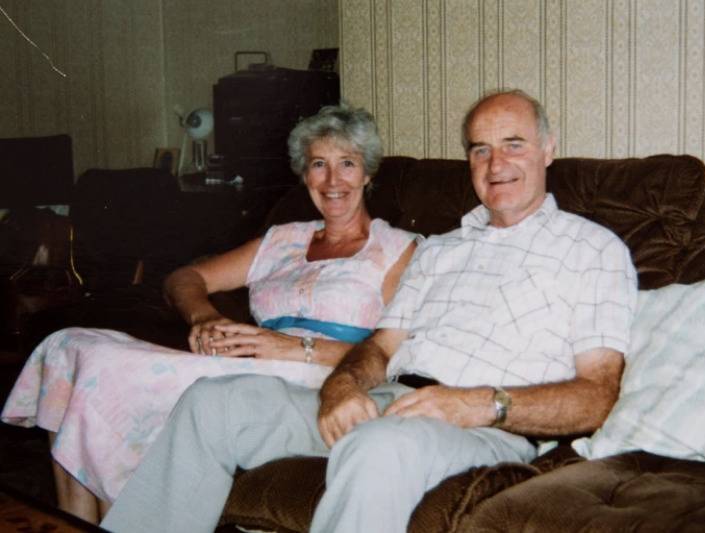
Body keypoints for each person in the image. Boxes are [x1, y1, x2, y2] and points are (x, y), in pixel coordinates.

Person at [100, 89, 638, 533]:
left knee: (379, 446)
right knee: (213, 402)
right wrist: (341, 387)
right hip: (390, 400)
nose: (495, 164)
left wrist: (478, 404)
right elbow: (380, 346)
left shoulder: (592, 250)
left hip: (486, 429)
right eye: (479, 149)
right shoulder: (441, 249)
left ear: (548, 148)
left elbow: (596, 395)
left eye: (513, 144)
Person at [1, 103, 418, 525]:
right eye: (318, 164)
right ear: (304, 175)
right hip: (243, 361)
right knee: (66, 345)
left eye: (347, 163)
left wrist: (291, 346)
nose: (332, 180)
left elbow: (394, 354)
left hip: (315, 375)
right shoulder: (283, 240)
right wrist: (202, 316)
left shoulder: (397, 248)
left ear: (367, 173)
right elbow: (184, 277)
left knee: (110, 369)